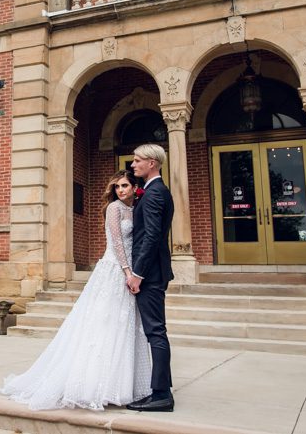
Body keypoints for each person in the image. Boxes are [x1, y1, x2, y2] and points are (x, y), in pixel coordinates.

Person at [0, 170, 151, 411]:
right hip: (114, 269)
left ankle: (119, 385)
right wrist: (127, 271)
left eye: (124, 186)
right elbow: (117, 243)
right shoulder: (114, 209)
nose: (120, 190)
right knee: (103, 324)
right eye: (117, 187)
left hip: (131, 271)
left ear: (134, 188)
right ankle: (93, 385)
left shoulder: (137, 208)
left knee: (123, 326)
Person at [126, 144, 176, 412]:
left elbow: (152, 236)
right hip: (152, 271)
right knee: (155, 330)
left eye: (137, 160)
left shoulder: (156, 193)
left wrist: (138, 273)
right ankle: (160, 390)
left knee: (155, 331)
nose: (133, 165)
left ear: (152, 163)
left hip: (151, 273)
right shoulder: (154, 190)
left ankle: (161, 395)